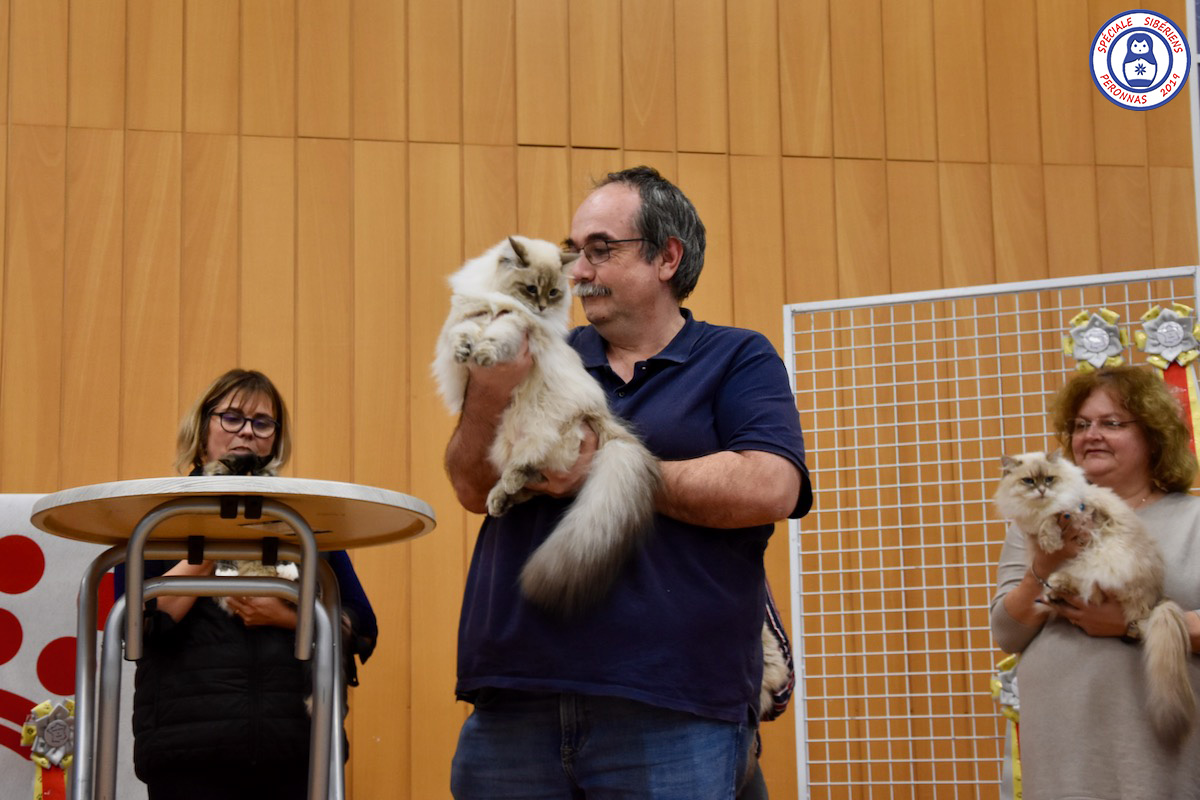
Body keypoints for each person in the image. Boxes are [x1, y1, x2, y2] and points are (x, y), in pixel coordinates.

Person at [445, 165, 813, 798]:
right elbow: (472, 488)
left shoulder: (736, 357)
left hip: (672, 704)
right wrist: (487, 393)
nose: (577, 271)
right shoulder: (540, 348)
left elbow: (770, 486)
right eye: (575, 250)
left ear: (667, 257)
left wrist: (601, 471)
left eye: (600, 249)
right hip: (516, 697)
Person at [113, 368, 378, 800]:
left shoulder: (302, 517)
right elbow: (134, 627)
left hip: (295, 748)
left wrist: (286, 617)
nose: (247, 432)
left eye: (262, 422)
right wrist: (215, 544)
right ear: (202, 430)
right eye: (232, 417)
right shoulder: (159, 515)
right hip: (188, 750)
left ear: (275, 439)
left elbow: (362, 627)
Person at [989, 365, 1200, 800]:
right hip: (1063, 745)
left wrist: (1132, 625)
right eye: (1081, 425)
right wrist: (1044, 565)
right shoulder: (1031, 524)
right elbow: (1008, 632)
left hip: (1159, 746)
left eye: (1112, 423)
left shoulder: (1193, 519)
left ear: (1154, 434)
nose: (1092, 435)